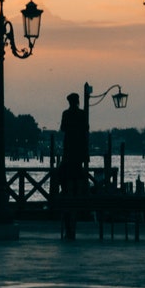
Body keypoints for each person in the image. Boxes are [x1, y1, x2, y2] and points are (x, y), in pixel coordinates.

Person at [57, 92, 89, 240]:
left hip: (69, 151)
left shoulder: (65, 113)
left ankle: (69, 224)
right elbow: (86, 130)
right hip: (79, 152)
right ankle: (74, 217)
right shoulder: (82, 114)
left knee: (67, 182)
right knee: (77, 181)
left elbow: (63, 128)